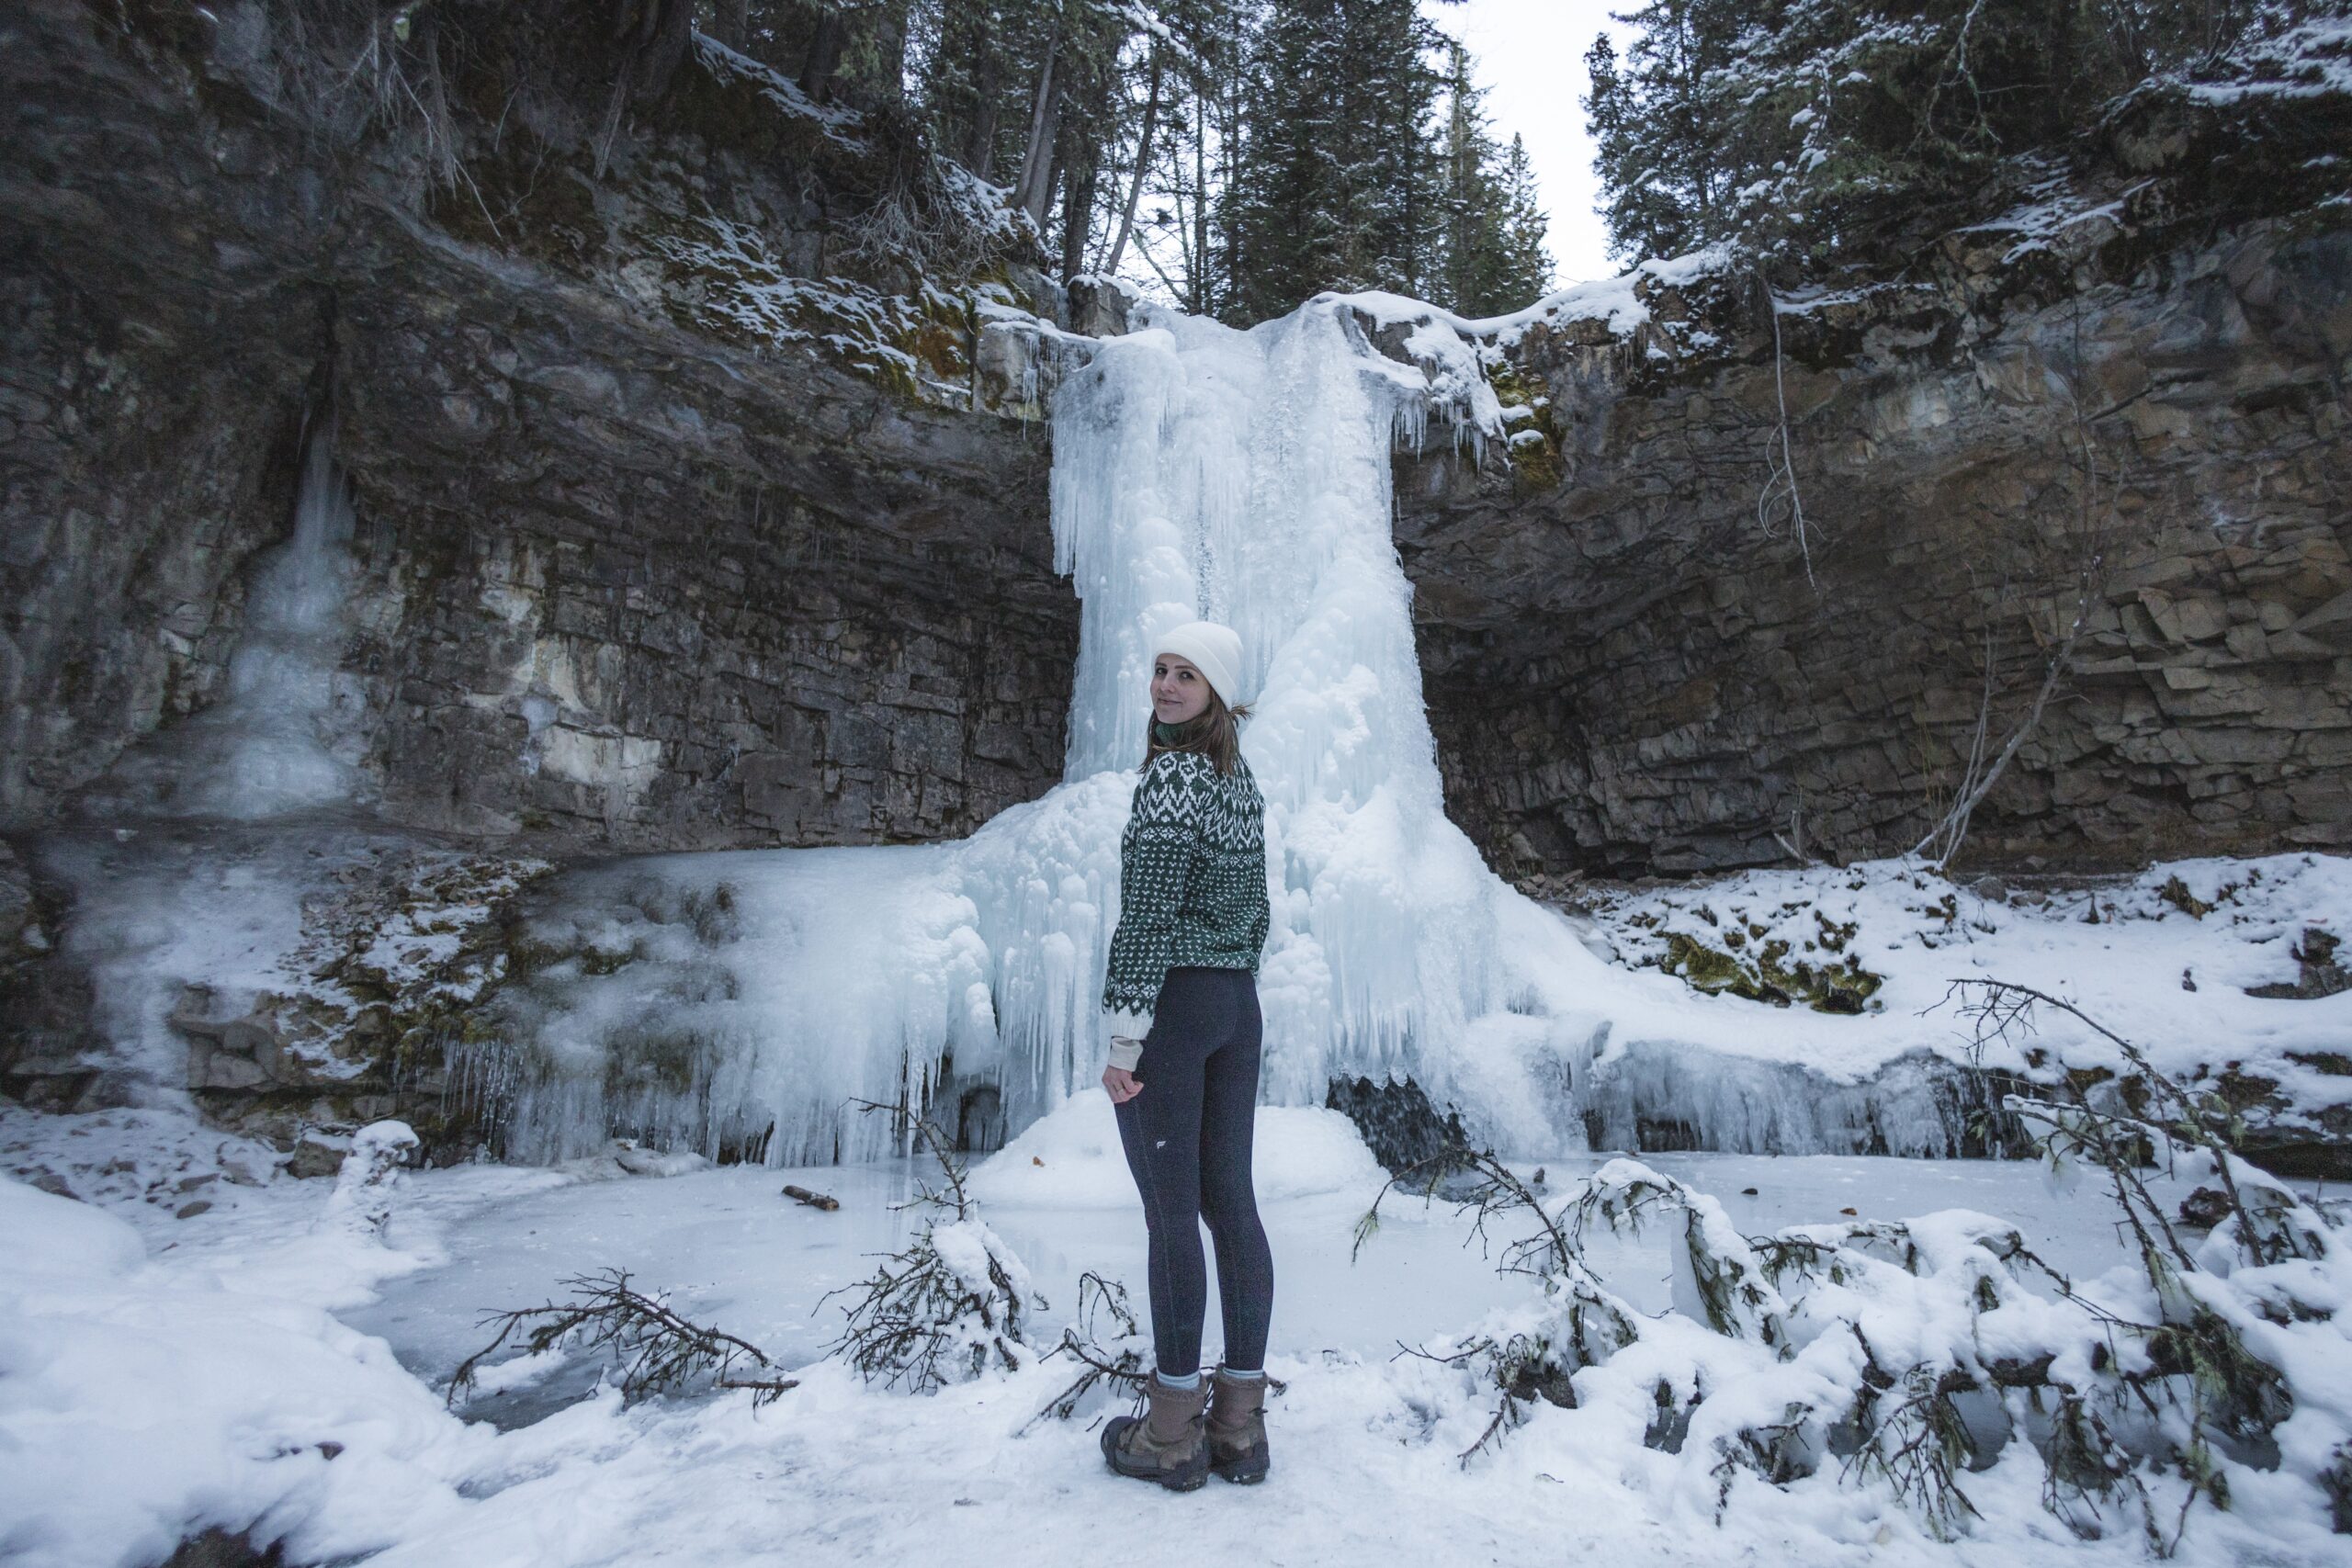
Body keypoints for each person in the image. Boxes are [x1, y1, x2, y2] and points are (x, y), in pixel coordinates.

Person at [1095, 619, 1274, 1493]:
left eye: (1186, 674)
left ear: (1217, 691)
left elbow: (1149, 912)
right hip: (1239, 1005)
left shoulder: (1170, 778)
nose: (1165, 686)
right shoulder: (1240, 784)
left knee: (1173, 1213)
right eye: (1161, 670)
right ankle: (1239, 1422)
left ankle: (1170, 1430)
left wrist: (1127, 1033)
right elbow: (1258, 912)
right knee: (1229, 1204)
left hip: (1177, 1006)